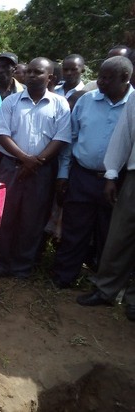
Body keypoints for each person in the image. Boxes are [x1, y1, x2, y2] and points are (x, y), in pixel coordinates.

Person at [53, 57, 133, 288]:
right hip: (82, 175)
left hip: (118, 181)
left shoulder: (133, 105)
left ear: (125, 79)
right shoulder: (86, 101)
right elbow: (71, 139)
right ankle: (64, 276)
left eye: (108, 78)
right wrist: (64, 174)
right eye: (100, 75)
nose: (100, 81)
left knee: (110, 235)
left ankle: (104, 285)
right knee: (74, 229)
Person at [0, 57, 71, 279]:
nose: (32, 76)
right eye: (30, 72)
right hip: (11, 167)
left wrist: (35, 162)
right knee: (4, 217)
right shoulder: (11, 102)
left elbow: (61, 138)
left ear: (50, 77)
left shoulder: (60, 104)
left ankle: (22, 267)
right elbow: (1, 134)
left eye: (38, 72)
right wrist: (25, 159)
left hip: (42, 171)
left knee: (32, 220)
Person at [76, 74, 135, 321]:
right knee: (120, 236)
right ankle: (106, 289)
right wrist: (111, 173)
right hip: (133, 175)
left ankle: (133, 300)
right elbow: (124, 135)